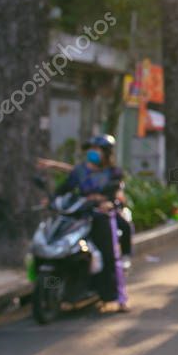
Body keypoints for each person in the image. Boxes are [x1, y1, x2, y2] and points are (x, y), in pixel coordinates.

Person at [56, 134, 129, 312]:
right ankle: (69, 295)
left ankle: (118, 299)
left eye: (97, 150)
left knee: (109, 256)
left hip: (102, 216)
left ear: (106, 153)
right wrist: (51, 199)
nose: (93, 153)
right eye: (91, 149)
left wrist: (105, 200)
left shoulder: (114, 172)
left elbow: (115, 194)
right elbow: (65, 187)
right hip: (80, 216)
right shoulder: (80, 171)